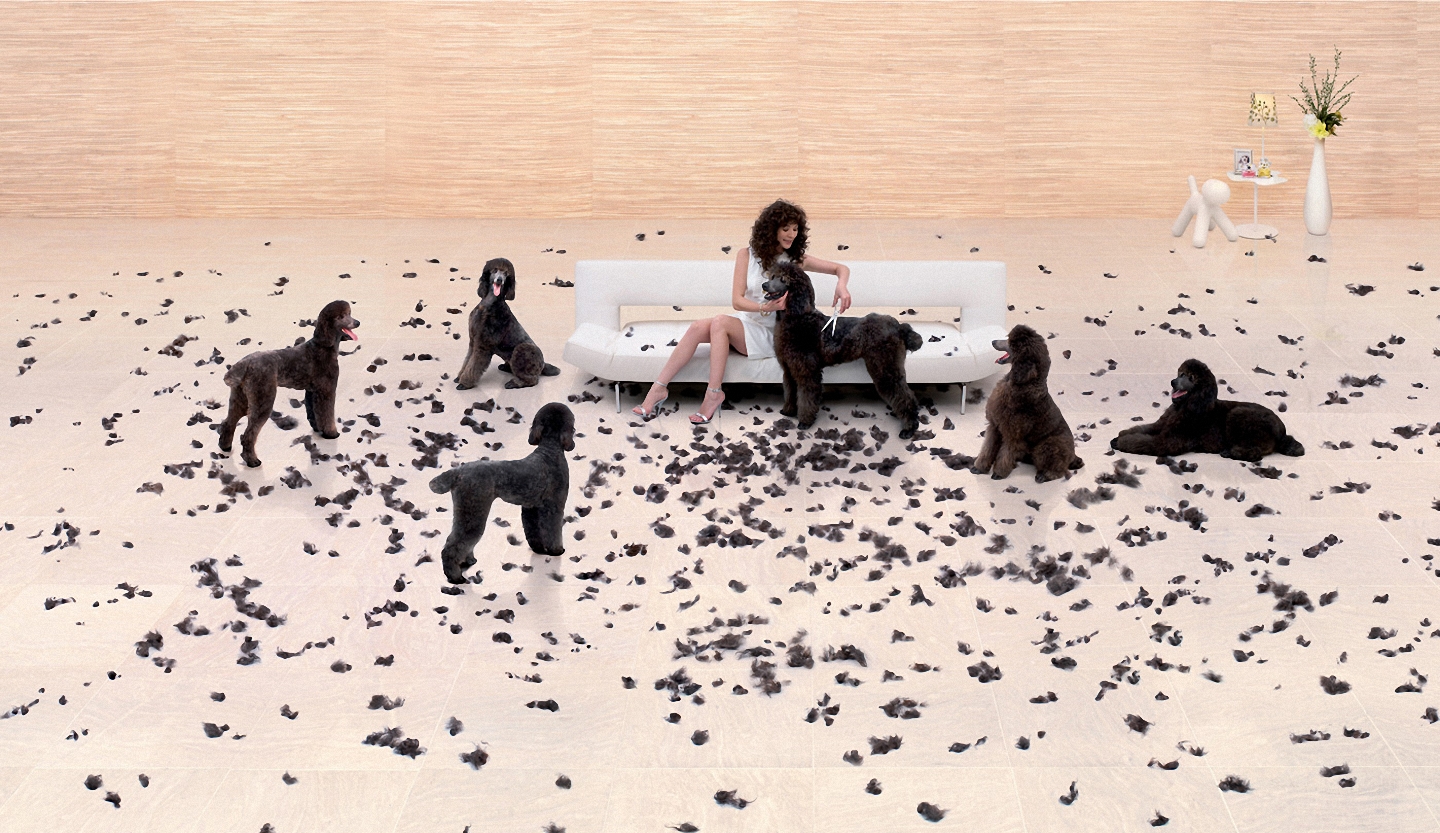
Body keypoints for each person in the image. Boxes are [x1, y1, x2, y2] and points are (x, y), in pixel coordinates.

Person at [633, 199, 852, 424]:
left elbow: (841, 268)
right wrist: (764, 307)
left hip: (774, 332)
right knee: (697, 327)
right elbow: (737, 301)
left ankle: (713, 394)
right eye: (785, 228)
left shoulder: (794, 260)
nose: (791, 234)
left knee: (720, 323)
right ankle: (658, 389)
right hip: (747, 321)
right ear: (771, 229)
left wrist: (842, 286)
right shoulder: (746, 255)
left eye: (795, 229)